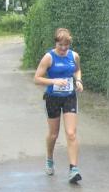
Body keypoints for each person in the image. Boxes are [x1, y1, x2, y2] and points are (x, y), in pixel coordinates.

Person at [34, 28, 84, 183]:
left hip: (69, 97)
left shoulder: (74, 56)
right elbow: (37, 78)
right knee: (53, 134)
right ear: (55, 43)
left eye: (66, 45)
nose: (63, 48)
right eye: (60, 45)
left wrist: (78, 81)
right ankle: (49, 159)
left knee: (71, 133)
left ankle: (73, 169)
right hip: (52, 98)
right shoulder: (49, 57)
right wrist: (53, 81)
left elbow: (77, 70)